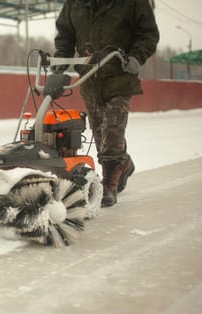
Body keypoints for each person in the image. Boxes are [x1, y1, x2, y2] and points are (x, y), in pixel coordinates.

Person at [53, 0, 160, 207]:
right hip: (89, 78)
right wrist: (61, 58)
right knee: (100, 134)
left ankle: (110, 183)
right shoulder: (75, 4)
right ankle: (124, 163)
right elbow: (65, 33)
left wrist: (136, 57)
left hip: (119, 75)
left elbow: (148, 34)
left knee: (112, 132)